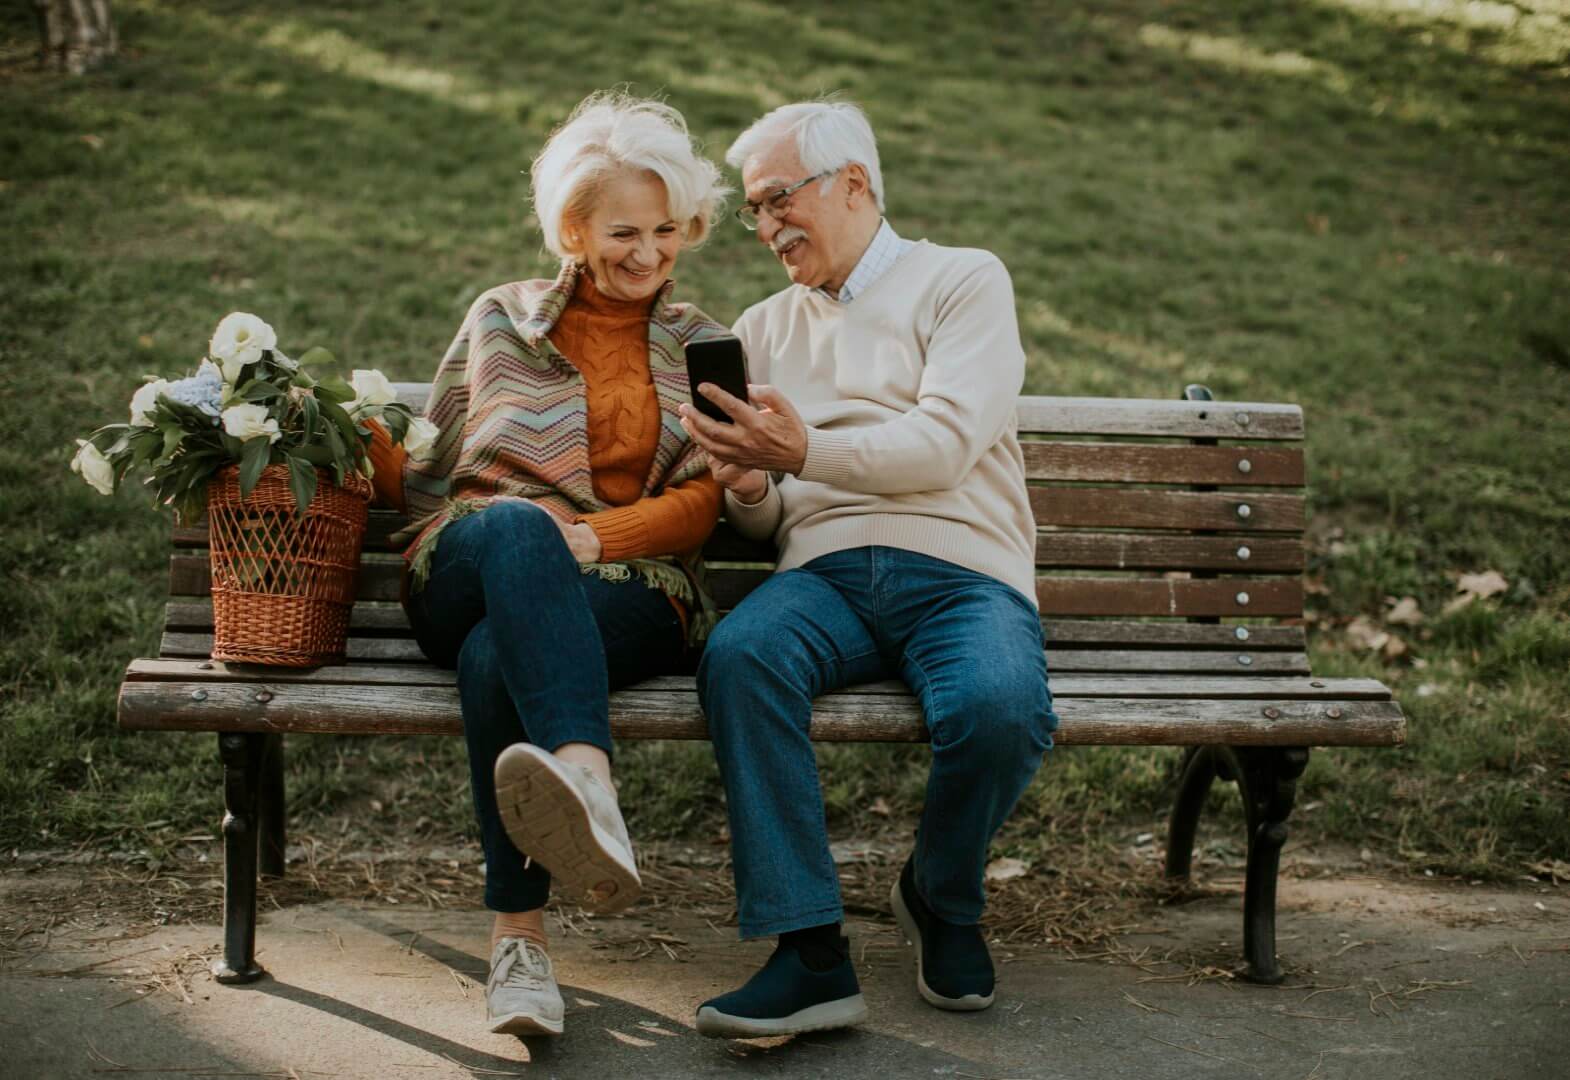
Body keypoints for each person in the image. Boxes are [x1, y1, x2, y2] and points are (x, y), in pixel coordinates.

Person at [677, 100, 1059, 1039]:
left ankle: (939, 894)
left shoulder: (963, 280)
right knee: (742, 657)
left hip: (963, 569)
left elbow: (944, 445)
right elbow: (772, 516)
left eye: (778, 200)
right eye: (754, 211)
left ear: (853, 183)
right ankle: (809, 952)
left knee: (1000, 708)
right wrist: (748, 483)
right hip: (825, 573)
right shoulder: (763, 326)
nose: (765, 227)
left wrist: (801, 452)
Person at [366, 92, 730, 1038]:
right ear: (574, 229)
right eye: (622, 232)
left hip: (632, 587)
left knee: (498, 655)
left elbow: (705, 498)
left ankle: (518, 945)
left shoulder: (701, 344)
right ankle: (587, 779)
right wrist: (340, 429)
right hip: (476, 556)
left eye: (666, 230)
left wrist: (602, 538)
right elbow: (430, 463)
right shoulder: (503, 317)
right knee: (521, 527)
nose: (647, 253)